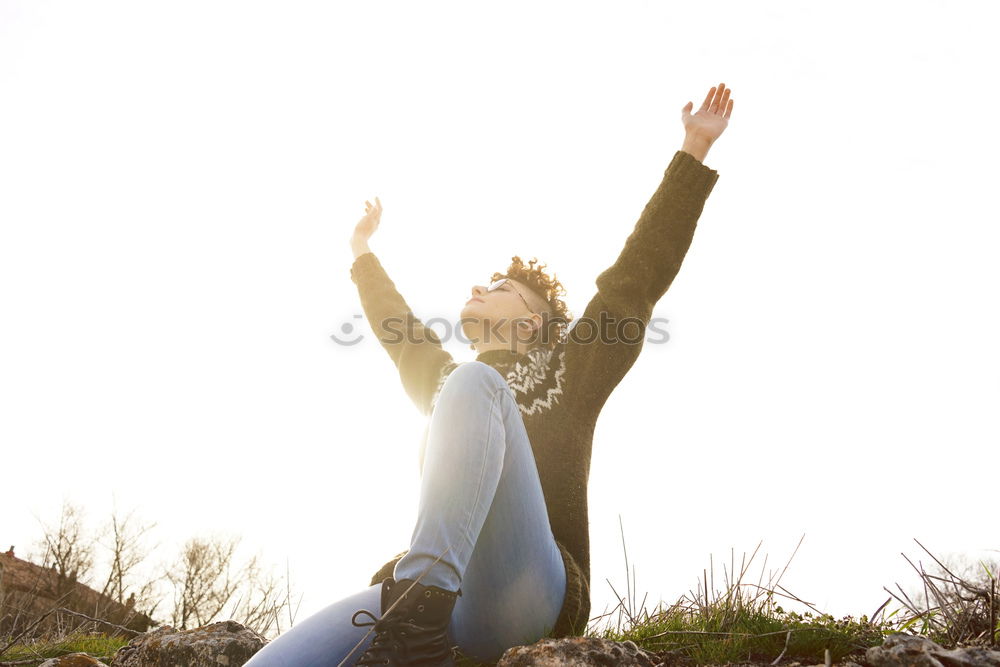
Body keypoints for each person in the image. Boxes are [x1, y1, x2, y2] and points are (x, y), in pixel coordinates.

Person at [244, 82, 734, 667]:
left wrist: (692, 151)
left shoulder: (571, 373)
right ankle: (416, 621)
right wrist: (360, 250)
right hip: (447, 614)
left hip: (528, 596)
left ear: (531, 324)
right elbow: (397, 327)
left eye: (500, 288)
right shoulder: (447, 382)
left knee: (472, 383)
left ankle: (419, 605)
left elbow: (635, 277)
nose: (479, 287)